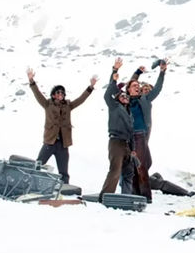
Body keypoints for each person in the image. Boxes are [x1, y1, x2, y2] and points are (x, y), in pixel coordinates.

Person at [26, 68, 97, 184]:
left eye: (62, 92)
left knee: (64, 171)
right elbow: (37, 94)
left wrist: (91, 87)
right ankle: (29, 182)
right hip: (50, 142)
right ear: (53, 95)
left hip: (63, 144)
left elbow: (81, 99)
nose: (61, 94)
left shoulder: (68, 106)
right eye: (58, 92)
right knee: (38, 164)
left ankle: (64, 189)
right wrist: (31, 80)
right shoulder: (47, 104)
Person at [124, 62, 167, 201]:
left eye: (138, 86)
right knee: (134, 165)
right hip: (129, 136)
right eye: (135, 87)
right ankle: (136, 193)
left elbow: (158, 88)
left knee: (143, 165)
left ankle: (146, 196)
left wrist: (162, 72)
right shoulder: (126, 100)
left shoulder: (145, 99)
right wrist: (137, 72)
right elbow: (130, 83)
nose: (137, 87)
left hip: (141, 135)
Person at [100, 58, 137, 198]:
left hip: (127, 144)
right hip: (116, 141)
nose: (125, 97)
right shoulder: (114, 106)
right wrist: (114, 72)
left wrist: (133, 149)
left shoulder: (129, 114)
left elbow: (131, 132)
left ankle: (126, 196)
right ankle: (106, 196)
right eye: (122, 96)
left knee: (129, 172)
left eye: (126, 96)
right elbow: (107, 93)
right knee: (115, 170)